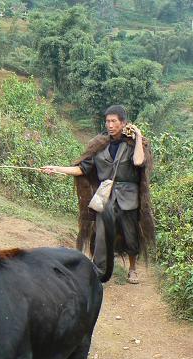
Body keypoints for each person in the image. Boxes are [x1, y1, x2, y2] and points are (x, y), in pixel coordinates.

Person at [42, 105, 155, 284]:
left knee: (130, 233)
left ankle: (132, 269)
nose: (110, 125)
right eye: (107, 121)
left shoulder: (133, 144)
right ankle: (99, 269)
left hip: (128, 197)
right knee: (101, 231)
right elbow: (82, 169)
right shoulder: (99, 145)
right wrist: (56, 168)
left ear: (124, 123)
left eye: (114, 121)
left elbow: (139, 161)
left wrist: (138, 135)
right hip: (105, 196)